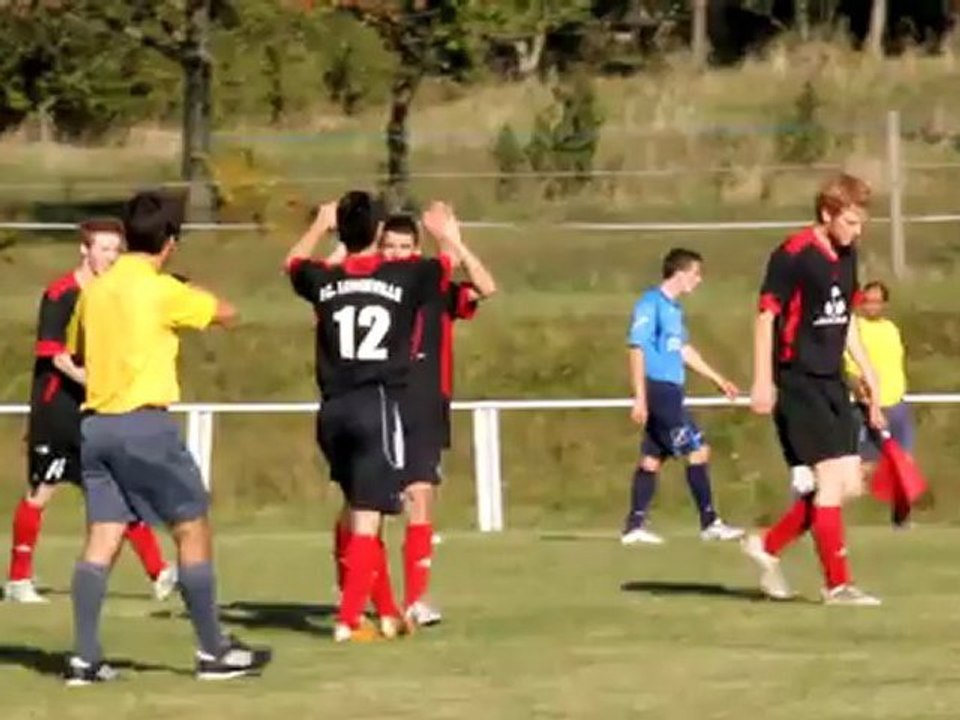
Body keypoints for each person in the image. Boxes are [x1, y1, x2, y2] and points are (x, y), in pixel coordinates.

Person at [65, 191, 271, 685]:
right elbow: (227, 312)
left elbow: (77, 349)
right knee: (191, 528)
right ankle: (211, 651)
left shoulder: (95, 289)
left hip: (96, 426)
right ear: (170, 242)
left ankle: (85, 657)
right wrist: (183, 286)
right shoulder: (160, 289)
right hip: (144, 424)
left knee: (102, 537)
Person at [285, 193, 467, 642]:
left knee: (354, 506)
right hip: (377, 403)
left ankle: (386, 611)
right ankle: (349, 617)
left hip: (331, 410)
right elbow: (448, 262)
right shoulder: (406, 275)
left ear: (341, 233)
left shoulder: (325, 281)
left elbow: (292, 262)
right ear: (378, 235)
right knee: (370, 515)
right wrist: (446, 234)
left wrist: (319, 225)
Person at [4, 219, 176, 605]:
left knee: (116, 490)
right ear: (85, 250)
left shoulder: (110, 294)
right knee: (41, 492)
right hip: (57, 410)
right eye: (103, 249)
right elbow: (55, 355)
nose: (110, 257)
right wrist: (95, 380)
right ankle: (18, 579)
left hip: (94, 410)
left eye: (117, 249)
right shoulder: (61, 294)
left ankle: (160, 572)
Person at [742, 173, 886, 606]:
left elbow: (844, 323)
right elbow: (766, 316)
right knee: (828, 479)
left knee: (848, 483)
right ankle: (837, 585)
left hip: (830, 380)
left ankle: (766, 546)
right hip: (797, 379)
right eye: (851, 222)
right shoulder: (793, 255)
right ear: (827, 214)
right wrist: (762, 379)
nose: (857, 232)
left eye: (861, 223)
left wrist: (869, 374)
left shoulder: (848, 255)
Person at [378, 209, 496, 627]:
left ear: (417, 250)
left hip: (427, 401)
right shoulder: (370, 289)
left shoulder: (437, 288)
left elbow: (486, 287)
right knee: (367, 504)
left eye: (405, 247)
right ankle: (364, 593)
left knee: (420, 496)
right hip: (378, 401)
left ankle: (414, 599)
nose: (396, 254)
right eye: (388, 246)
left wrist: (455, 240)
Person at [622, 248, 744, 545]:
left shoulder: (674, 310)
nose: (698, 280)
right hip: (658, 389)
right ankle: (709, 522)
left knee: (652, 458)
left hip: (672, 389)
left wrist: (718, 379)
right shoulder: (650, 304)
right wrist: (640, 396)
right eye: (695, 273)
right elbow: (636, 348)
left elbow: (684, 350)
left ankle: (634, 526)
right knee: (697, 449)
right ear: (680, 273)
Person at [844, 280, 914, 527]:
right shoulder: (854, 330)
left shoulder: (891, 329)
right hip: (869, 408)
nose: (872, 306)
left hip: (897, 405)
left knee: (904, 465)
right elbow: (851, 372)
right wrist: (868, 402)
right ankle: (821, 509)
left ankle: (902, 519)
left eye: (877, 301)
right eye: (868, 301)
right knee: (864, 469)